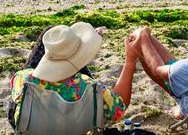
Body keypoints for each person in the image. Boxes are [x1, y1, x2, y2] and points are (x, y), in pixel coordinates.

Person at [9, 22, 137, 125]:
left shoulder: (23, 79)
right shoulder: (89, 87)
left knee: (50, 30)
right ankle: (75, 47)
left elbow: (17, 91)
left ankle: (64, 48)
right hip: (77, 125)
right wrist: (130, 60)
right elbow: (119, 109)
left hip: (32, 126)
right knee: (64, 44)